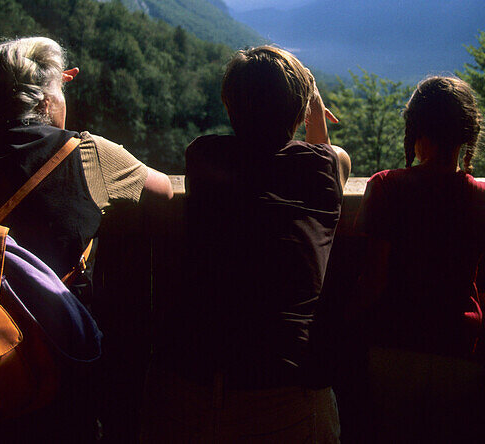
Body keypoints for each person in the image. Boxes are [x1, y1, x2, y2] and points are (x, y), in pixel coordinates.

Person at [0, 37, 173, 436]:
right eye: (60, 89)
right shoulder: (87, 154)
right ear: (44, 101)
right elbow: (164, 191)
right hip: (59, 357)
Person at [142, 45, 351, 443]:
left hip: (188, 379)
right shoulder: (327, 167)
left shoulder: (203, 157)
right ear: (302, 106)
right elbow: (323, 151)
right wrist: (312, 98)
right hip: (286, 388)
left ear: (229, 105)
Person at [353, 75, 485, 440]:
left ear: (416, 131)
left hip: (392, 346)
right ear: (468, 135)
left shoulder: (385, 186)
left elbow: (373, 283)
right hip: (459, 351)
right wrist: (482, 301)